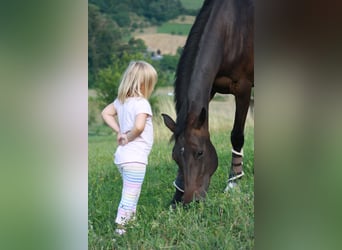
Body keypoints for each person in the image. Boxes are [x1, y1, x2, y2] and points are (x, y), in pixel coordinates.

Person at [101, 61, 157, 235]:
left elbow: (105, 113)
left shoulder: (121, 101)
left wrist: (119, 131)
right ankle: (121, 230)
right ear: (143, 84)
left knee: (133, 191)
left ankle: (130, 223)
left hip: (123, 158)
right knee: (129, 195)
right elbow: (139, 127)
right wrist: (127, 136)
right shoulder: (142, 103)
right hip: (135, 159)